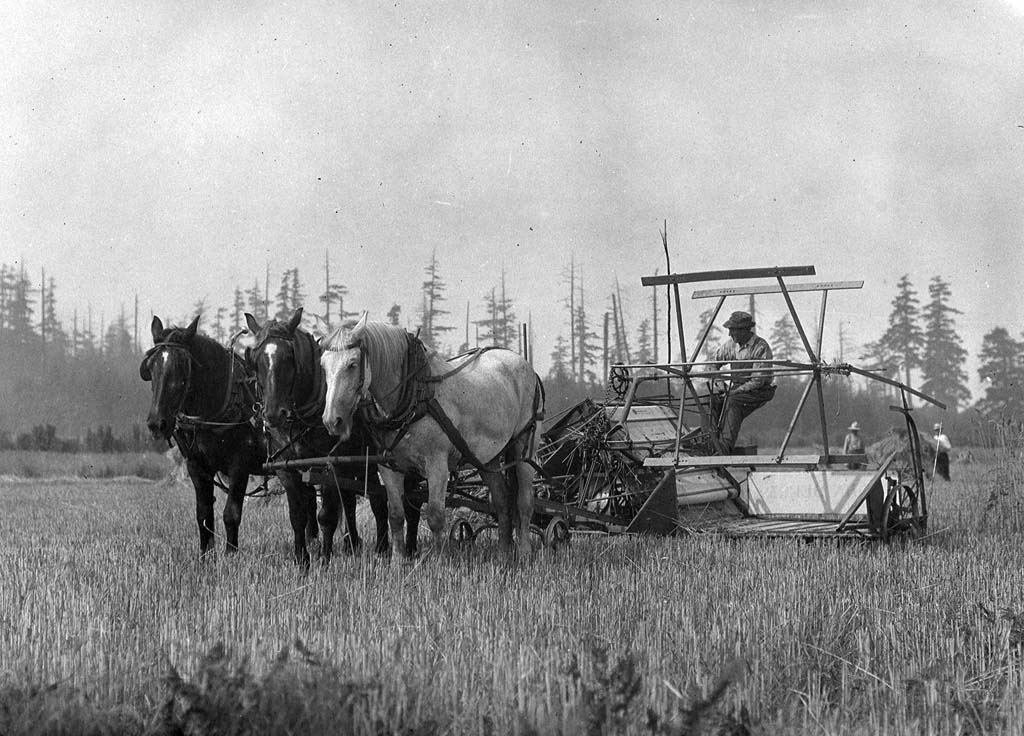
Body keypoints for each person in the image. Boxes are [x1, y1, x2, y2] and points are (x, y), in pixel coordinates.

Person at [708, 311, 776, 453]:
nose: (730, 334)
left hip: (759, 391)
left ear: (745, 330)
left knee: (733, 401)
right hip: (737, 389)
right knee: (713, 399)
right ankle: (710, 442)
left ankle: (724, 448)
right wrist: (720, 385)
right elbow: (712, 364)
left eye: (733, 331)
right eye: (730, 330)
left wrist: (733, 392)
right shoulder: (730, 345)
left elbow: (757, 380)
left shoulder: (760, 347)